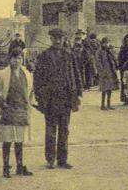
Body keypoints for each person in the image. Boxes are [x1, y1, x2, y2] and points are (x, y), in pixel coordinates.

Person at [34, 28, 82, 169]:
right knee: (50, 130)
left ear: (64, 39)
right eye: (55, 38)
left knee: (64, 129)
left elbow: (76, 74)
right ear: (51, 39)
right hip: (50, 99)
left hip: (66, 97)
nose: (57, 40)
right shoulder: (44, 56)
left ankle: (62, 159)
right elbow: (37, 78)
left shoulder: (69, 55)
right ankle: (50, 159)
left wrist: (78, 93)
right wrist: (39, 96)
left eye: (60, 38)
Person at [0, 47, 34, 178]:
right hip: (8, 110)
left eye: (20, 58)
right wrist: (2, 104)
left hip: (21, 111)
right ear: (10, 59)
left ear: (22, 59)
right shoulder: (3, 74)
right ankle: (5, 167)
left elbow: (30, 91)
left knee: (19, 140)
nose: (17, 61)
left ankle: (20, 167)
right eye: (14, 58)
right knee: (7, 140)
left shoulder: (26, 74)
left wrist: (29, 104)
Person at [97, 37, 119, 110]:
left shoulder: (109, 51)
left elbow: (114, 59)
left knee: (110, 89)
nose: (106, 44)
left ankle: (109, 104)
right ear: (102, 43)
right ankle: (102, 105)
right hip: (104, 72)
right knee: (104, 89)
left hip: (110, 71)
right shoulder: (99, 52)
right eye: (105, 43)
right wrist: (102, 72)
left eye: (107, 43)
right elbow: (98, 63)